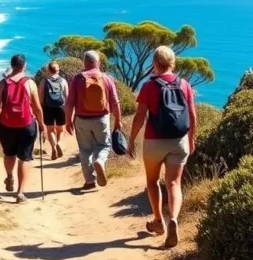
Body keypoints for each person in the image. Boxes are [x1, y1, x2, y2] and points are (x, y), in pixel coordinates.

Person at [128, 45, 197, 249]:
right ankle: (173, 218)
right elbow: (192, 116)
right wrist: (192, 139)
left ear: (155, 63)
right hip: (179, 140)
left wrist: (131, 139)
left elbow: (140, 116)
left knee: (152, 181)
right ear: (172, 63)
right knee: (174, 183)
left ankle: (159, 221)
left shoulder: (149, 86)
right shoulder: (184, 84)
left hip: (154, 141)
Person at [0, 54, 46, 203]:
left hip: (6, 126)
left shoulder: (2, 84)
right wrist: (41, 123)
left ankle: (9, 176)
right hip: (27, 125)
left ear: (12, 65)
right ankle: (20, 192)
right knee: (24, 158)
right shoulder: (30, 83)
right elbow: (37, 108)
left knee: (9, 154)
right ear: (24, 66)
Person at [66, 50, 122, 190]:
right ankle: (100, 161)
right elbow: (115, 101)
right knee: (104, 146)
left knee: (85, 150)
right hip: (101, 118)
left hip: (81, 120)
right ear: (98, 63)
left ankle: (90, 181)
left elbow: (69, 102)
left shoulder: (78, 79)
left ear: (84, 62)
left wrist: (67, 120)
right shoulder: (106, 78)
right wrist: (118, 119)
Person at [40, 61, 70, 160]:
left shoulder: (44, 81)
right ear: (58, 70)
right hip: (60, 107)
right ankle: (59, 144)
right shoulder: (63, 81)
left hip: (48, 107)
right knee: (60, 129)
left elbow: (41, 97)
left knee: (50, 130)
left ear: (48, 70)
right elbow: (67, 96)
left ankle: (53, 147)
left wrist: (41, 107)